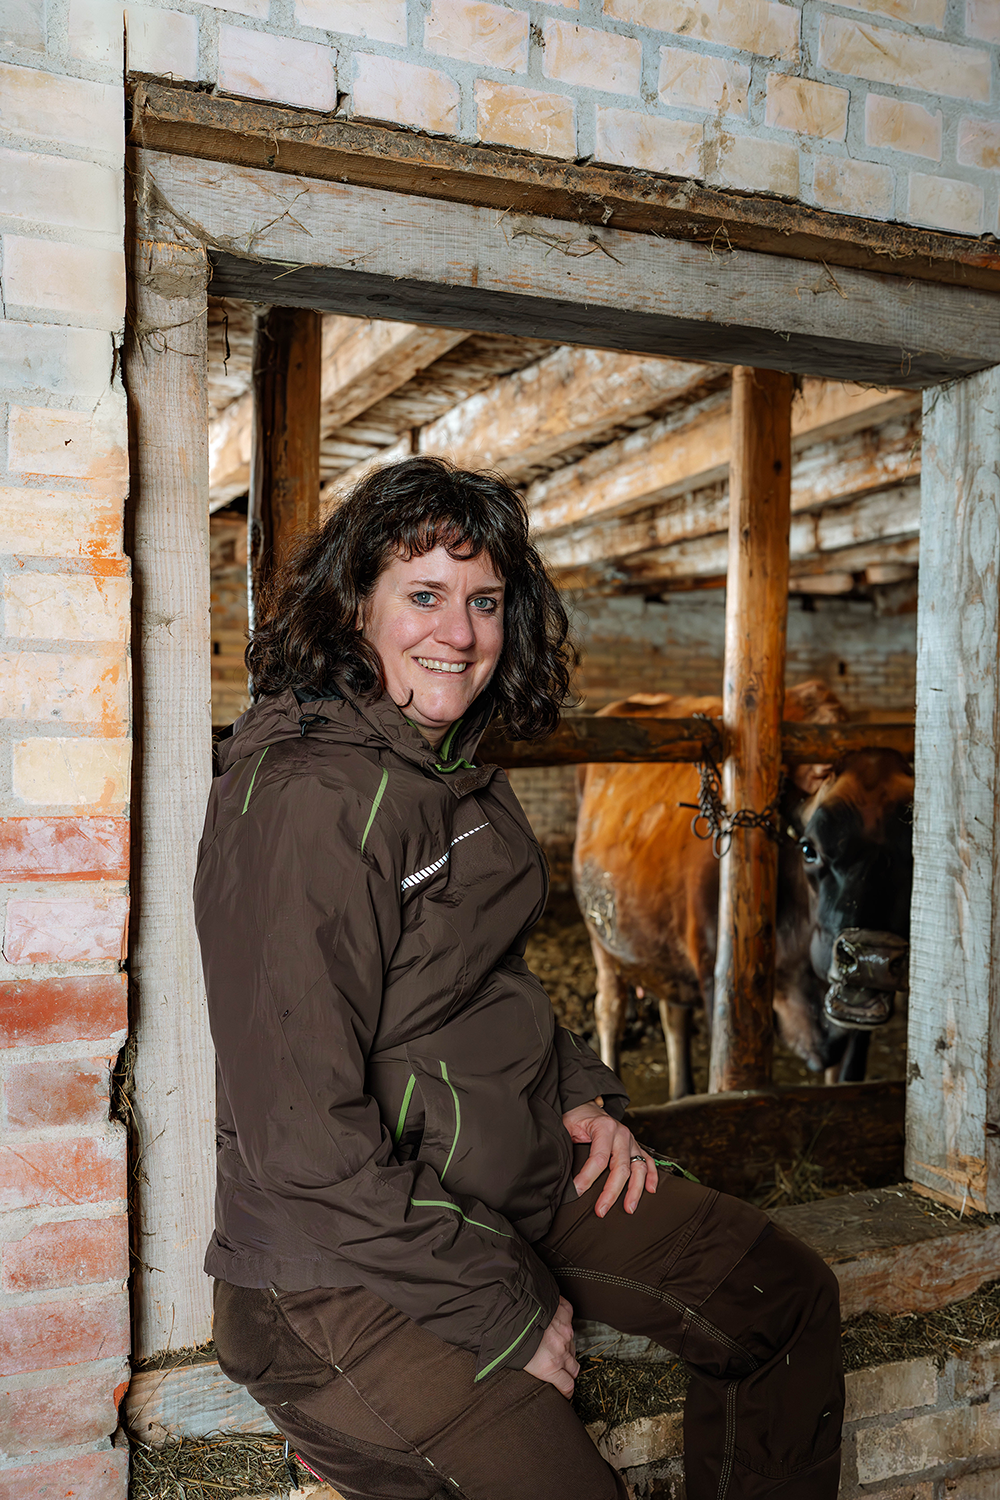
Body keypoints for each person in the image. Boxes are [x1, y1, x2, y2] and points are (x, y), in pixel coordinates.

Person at [196, 457, 844, 1500]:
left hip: (509, 1176)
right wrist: (502, 1304)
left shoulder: (454, 769)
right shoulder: (308, 804)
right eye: (423, 594)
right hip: (340, 1266)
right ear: (352, 605)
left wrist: (582, 1089)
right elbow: (303, 1142)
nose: (457, 631)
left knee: (784, 1297)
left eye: (483, 600)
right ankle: (356, 1431)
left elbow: (488, 977)